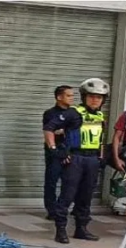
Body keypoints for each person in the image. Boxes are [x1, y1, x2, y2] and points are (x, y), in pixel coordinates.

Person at [43, 77, 110, 244]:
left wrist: (101, 156)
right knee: (67, 195)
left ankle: (81, 229)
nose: (95, 100)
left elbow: (100, 138)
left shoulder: (100, 116)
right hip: (75, 159)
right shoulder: (73, 113)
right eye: (91, 96)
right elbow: (49, 128)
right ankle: (61, 231)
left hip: (92, 160)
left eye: (99, 97)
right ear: (84, 97)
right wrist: (53, 149)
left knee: (86, 196)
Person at [42, 85, 74, 221]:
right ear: (59, 97)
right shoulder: (50, 113)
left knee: (69, 181)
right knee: (51, 181)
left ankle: (63, 207)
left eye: (73, 95)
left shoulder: (74, 113)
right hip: (54, 151)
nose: (72, 98)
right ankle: (51, 209)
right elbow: (50, 131)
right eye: (68, 95)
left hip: (70, 150)